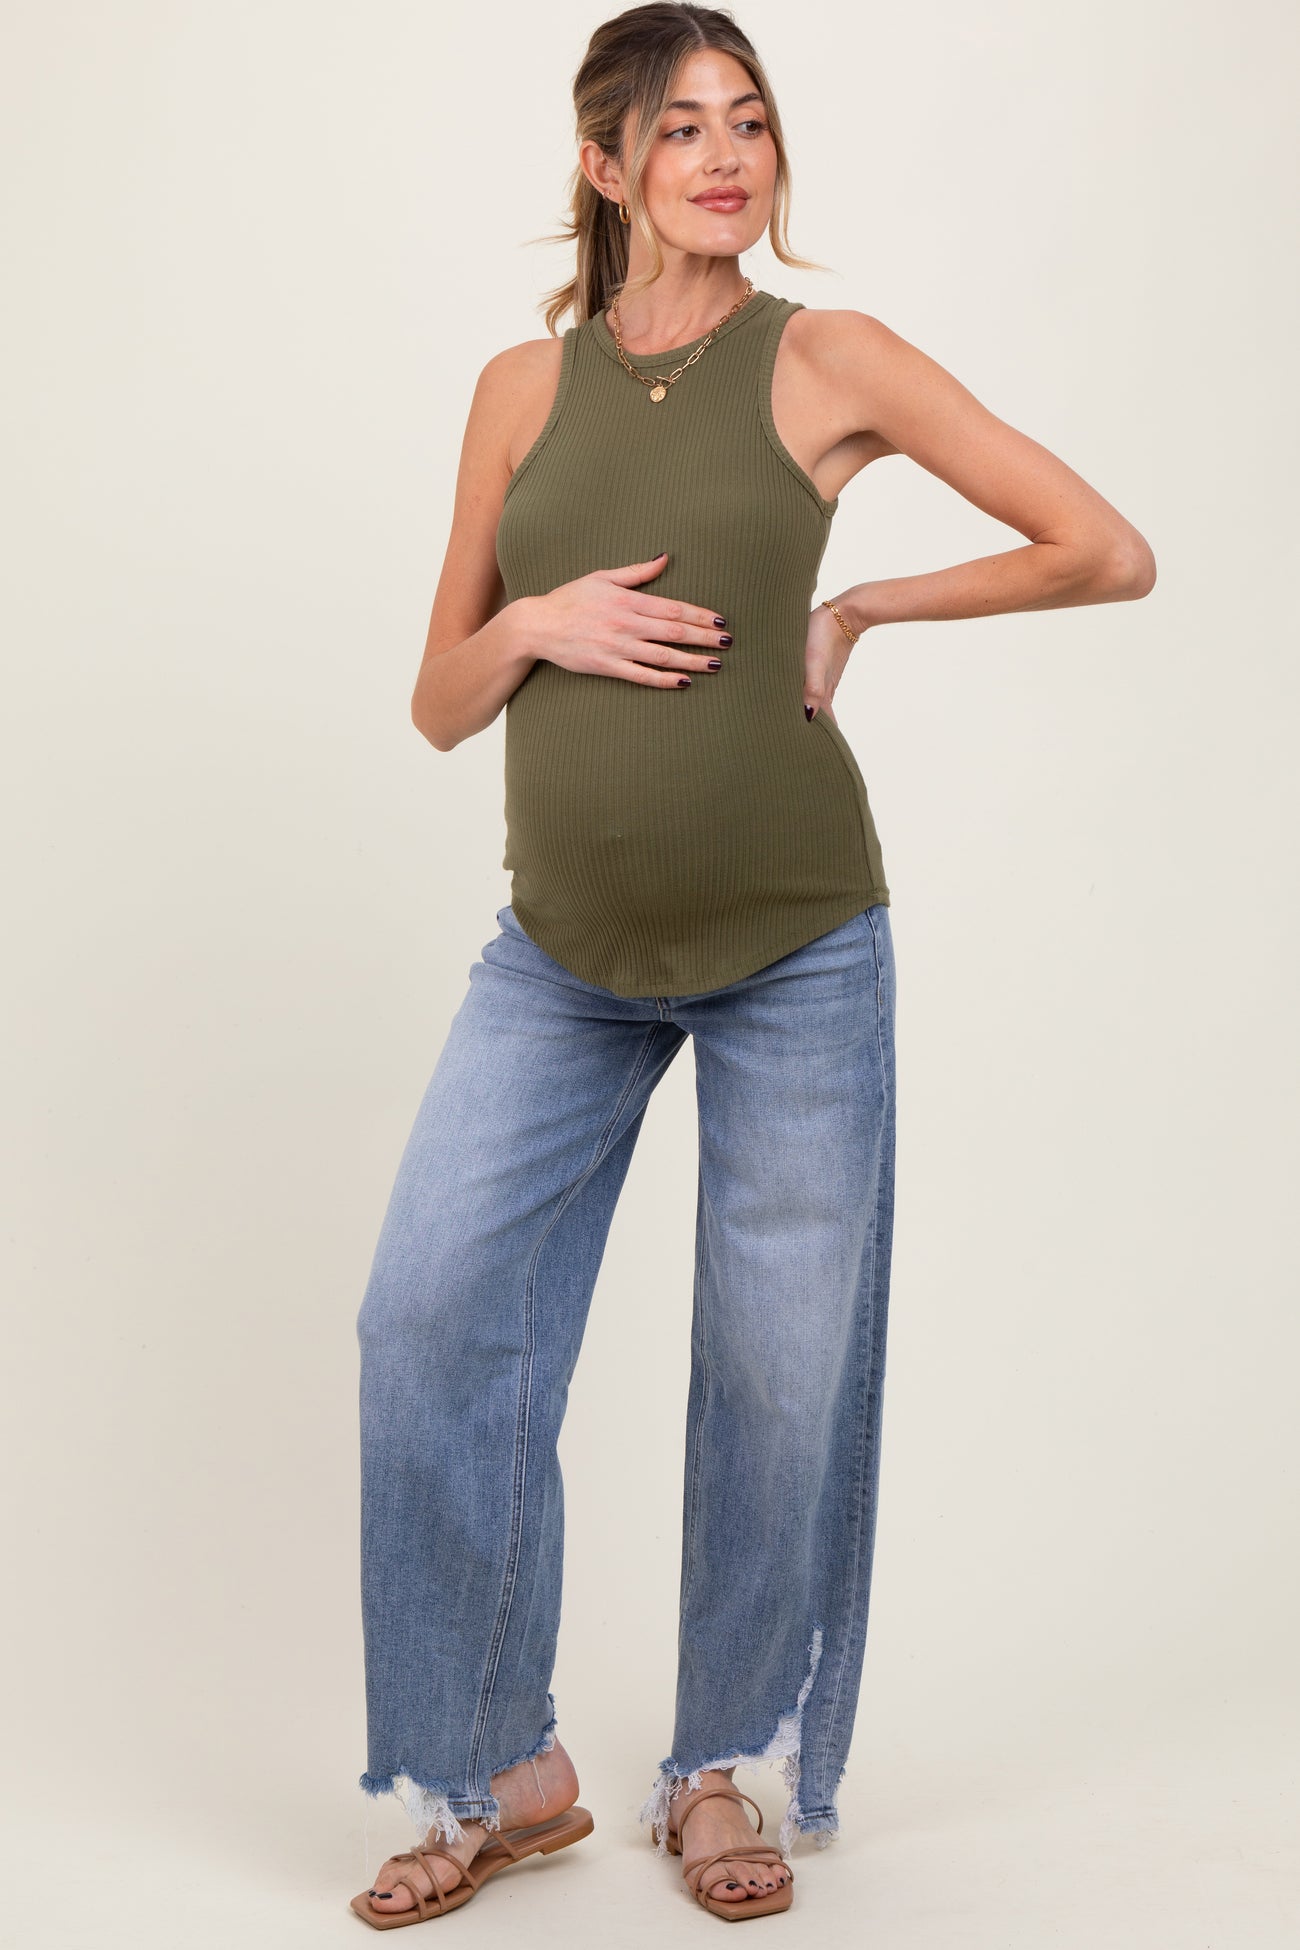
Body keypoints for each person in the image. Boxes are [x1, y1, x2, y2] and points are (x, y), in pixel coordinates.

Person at [349, 3, 1156, 1929]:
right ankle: (499, 1772)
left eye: (751, 121)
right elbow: (441, 698)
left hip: (794, 944)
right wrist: (536, 619)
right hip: (562, 953)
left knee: (778, 1378)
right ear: (604, 165)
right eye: (681, 128)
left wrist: (864, 599)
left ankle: (719, 1765)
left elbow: (1102, 546)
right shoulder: (519, 390)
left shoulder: (827, 359)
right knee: (426, 1319)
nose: (726, 157)